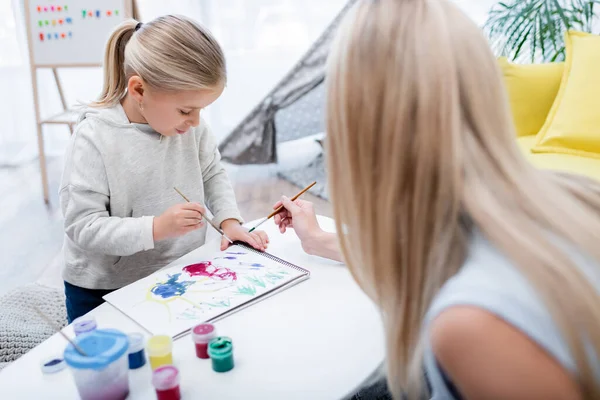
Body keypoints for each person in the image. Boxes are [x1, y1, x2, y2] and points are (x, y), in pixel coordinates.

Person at [273, 0, 600, 398]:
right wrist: (319, 239)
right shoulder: (572, 191)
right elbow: (426, 252)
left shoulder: (471, 327)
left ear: (356, 129)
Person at [59, 16, 268, 323]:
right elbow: (83, 226)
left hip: (178, 271)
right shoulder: (94, 138)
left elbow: (212, 173)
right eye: (186, 110)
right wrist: (157, 228)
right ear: (139, 90)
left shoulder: (190, 128)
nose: (196, 121)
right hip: (102, 291)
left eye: (201, 110)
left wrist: (230, 222)